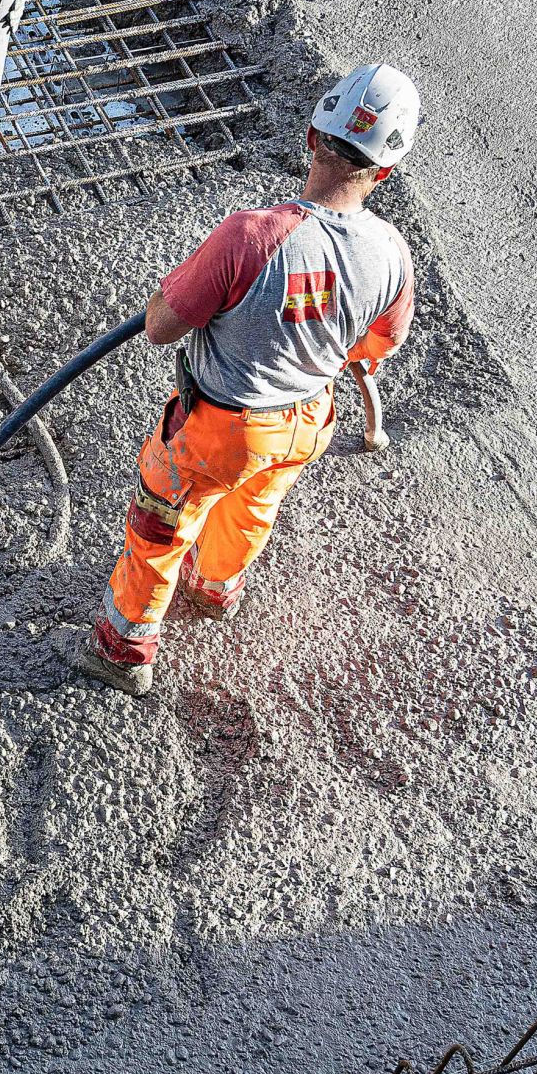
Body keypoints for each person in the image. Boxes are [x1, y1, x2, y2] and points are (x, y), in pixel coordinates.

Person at [73, 64, 423, 696]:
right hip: (307, 422)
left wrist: (179, 297)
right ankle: (213, 589)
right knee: (254, 505)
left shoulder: (251, 235)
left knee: (162, 523)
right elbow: (379, 344)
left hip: (221, 428)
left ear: (313, 137)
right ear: (386, 172)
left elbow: (160, 327)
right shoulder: (394, 254)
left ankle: (124, 648)